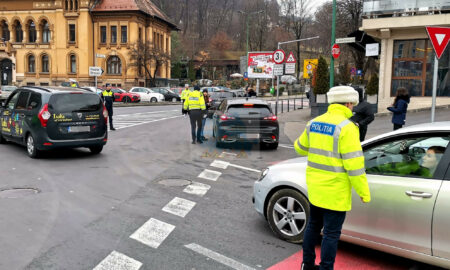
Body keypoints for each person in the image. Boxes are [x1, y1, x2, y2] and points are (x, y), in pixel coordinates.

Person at [294, 86, 371, 270]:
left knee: (312, 227)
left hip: (315, 190)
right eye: (352, 105)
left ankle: (307, 264)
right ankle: (326, 268)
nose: (352, 108)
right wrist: (364, 193)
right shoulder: (348, 127)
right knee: (330, 234)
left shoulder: (314, 123)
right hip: (335, 194)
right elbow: (354, 166)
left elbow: (299, 148)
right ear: (348, 103)